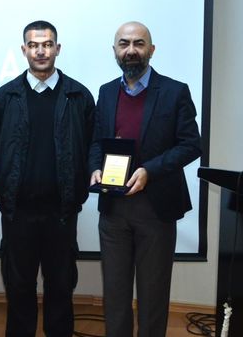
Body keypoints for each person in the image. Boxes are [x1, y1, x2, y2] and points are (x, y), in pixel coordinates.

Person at [89, 21, 202, 337]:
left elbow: (192, 144)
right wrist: (94, 168)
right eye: (124, 44)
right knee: (115, 295)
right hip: (113, 210)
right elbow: (97, 141)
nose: (131, 50)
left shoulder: (175, 91)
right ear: (115, 51)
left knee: (153, 296)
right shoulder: (107, 92)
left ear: (151, 50)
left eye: (139, 43)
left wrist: (149, 171)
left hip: (156, 208)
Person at [0, 20, 95, 337]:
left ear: (57, 49)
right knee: (19, 287)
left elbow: (90, 147)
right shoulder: (5, 97)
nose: (40, 51)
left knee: (61, 286)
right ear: (24, 50)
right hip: (18, 211)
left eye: (47, 44)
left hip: (61, 213)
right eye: (34, 45)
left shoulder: (79, 96)